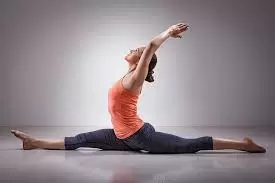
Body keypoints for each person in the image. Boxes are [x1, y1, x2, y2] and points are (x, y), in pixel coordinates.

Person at [11, 23, 266, 153]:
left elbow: (152, 46)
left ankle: (244, 144)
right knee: (81, 140)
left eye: (138, 50)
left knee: (187, 145)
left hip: (139, 136)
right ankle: (33, 143)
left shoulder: (137, 77)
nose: (134, 49)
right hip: (124, 135)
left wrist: (168, 32)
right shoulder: (128, 75)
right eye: (136, 49)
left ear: (143, 61)